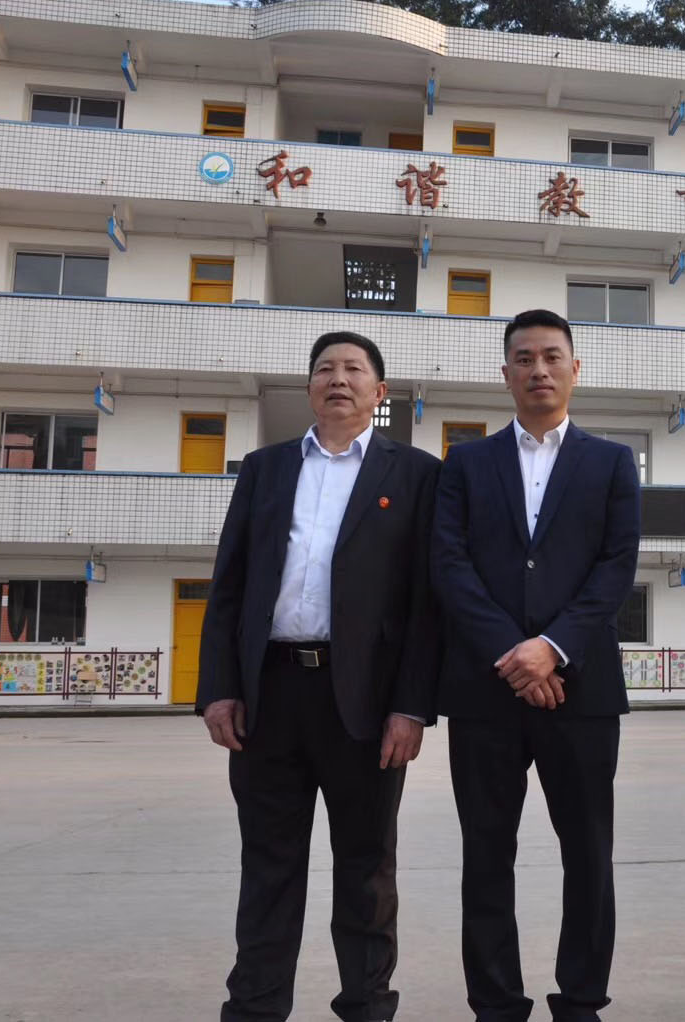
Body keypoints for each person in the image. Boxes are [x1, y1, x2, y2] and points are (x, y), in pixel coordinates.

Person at [196, 331, 441, 1022]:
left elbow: (426, 605)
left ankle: (367, 1006)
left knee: (366, 867)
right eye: (325, 369)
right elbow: (229, 585)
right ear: (308, 388)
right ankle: (255, 1007)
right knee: (268, 863)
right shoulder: (266, 468)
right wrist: (219, 688)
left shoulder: (415, 475)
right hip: (269, 693)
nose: (339, 378)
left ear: (379, 392)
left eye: (354, 369)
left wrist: (411, 706)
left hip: (363, 701)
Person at [432, 308, 641, 1022]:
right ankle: (496, 1002)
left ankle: (581, 999)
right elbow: (450, 565)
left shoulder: (611, 463)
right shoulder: (465, 464)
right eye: (524, 358)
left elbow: (615, 568)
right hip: (484, 693)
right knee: (487, 854)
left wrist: (551, 647)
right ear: (506, 374)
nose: (539, 369)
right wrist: (511, 651)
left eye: (552, 356)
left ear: (575, 370)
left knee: (588, 854)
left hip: (582, 692)